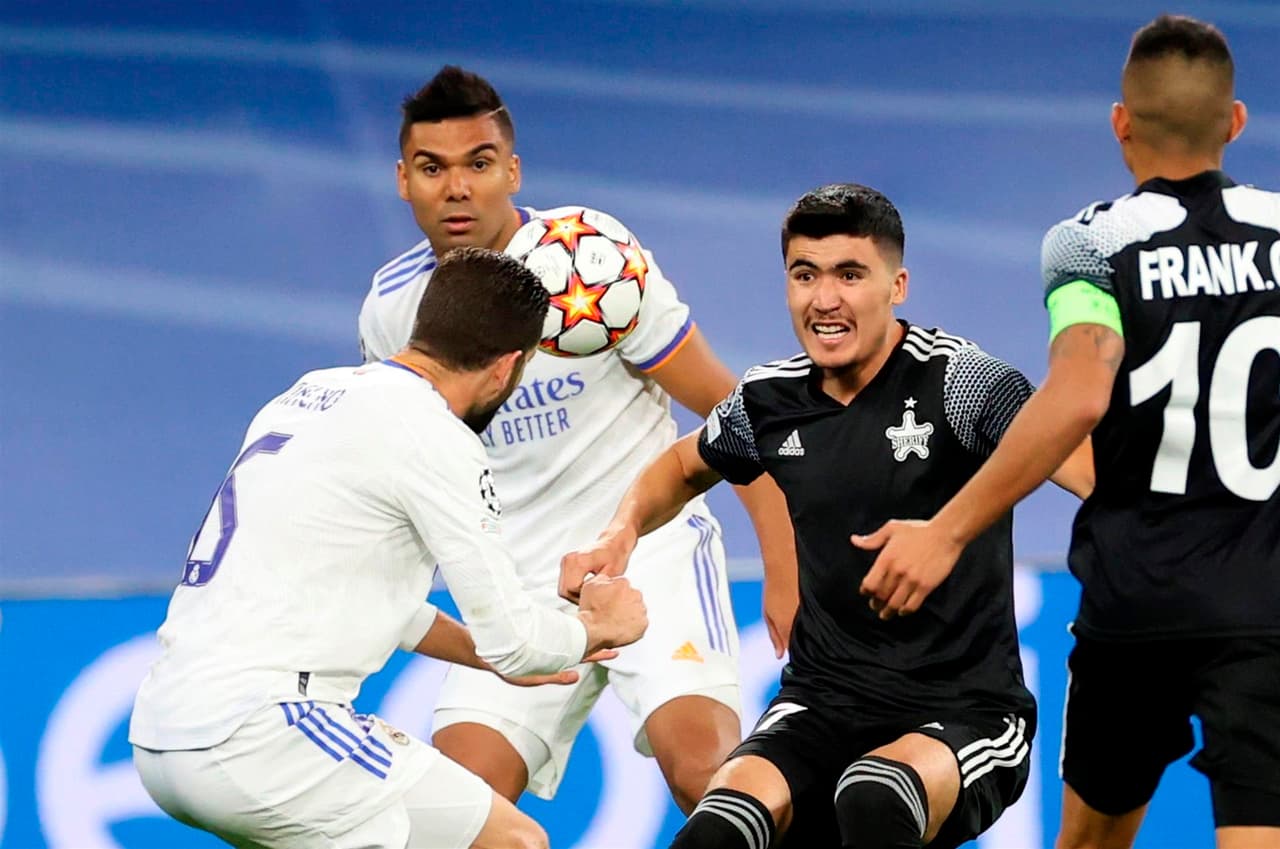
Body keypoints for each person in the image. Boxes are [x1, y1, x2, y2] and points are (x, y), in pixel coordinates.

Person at [560, 183, 1094, 849]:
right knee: (717, 830)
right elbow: (683, 465)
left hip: (966, 711)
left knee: (873, 794)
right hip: (821, 701)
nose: (825, 299)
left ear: (897, 286)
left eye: (850, 274)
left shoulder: (961, 382)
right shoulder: (768, 399)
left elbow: (1092, 472)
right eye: (805, 275)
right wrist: (621, 533)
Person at [854, 15, 1279, 849]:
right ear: (1235, 122)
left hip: (1134, 600)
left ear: (1121, 123)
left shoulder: (1089, 242)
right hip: (1267, 600)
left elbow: (1079, 394)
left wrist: (946, 530)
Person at [357, 65, 797, 812]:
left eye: (479, 164)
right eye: (432, 168)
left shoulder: (594, 265)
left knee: (708, 779)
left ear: (513, 171)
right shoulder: (392, 309)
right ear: (403, 180)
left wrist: (785, 564)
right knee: (462, 813)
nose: (457, 188)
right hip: (512, 580)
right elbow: (401, 466)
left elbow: (732, 412)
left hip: (646, 550)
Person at [129, 247, 648, 849]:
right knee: (513, 843)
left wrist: (484, 656)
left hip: (165, 729)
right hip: (263, 730)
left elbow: (377, 598)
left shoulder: (310, 392)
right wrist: (598, 628)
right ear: (508, 367)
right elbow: (518, 644)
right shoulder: (433, 434)